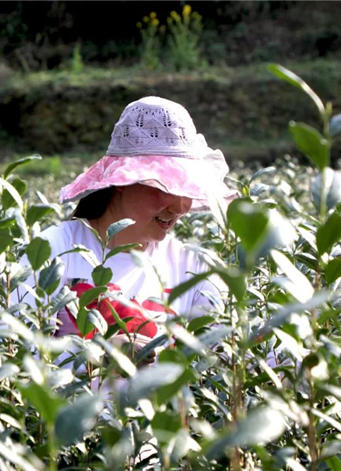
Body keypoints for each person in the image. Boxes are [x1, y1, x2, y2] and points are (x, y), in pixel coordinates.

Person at [12, 96, 239, 365]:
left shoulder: (192, 267)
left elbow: (225, 359)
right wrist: (96, 355)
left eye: (186, 189)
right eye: (164, 187)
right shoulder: (52, 251)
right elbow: (15, 354)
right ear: (122, 180)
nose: (180, 206)